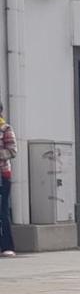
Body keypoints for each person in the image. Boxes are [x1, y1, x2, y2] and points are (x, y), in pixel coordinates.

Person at [0, 103, 17, 257]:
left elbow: (12, 151)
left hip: (2, 175)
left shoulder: (5, 129)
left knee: (2, 211)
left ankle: (7, 246)